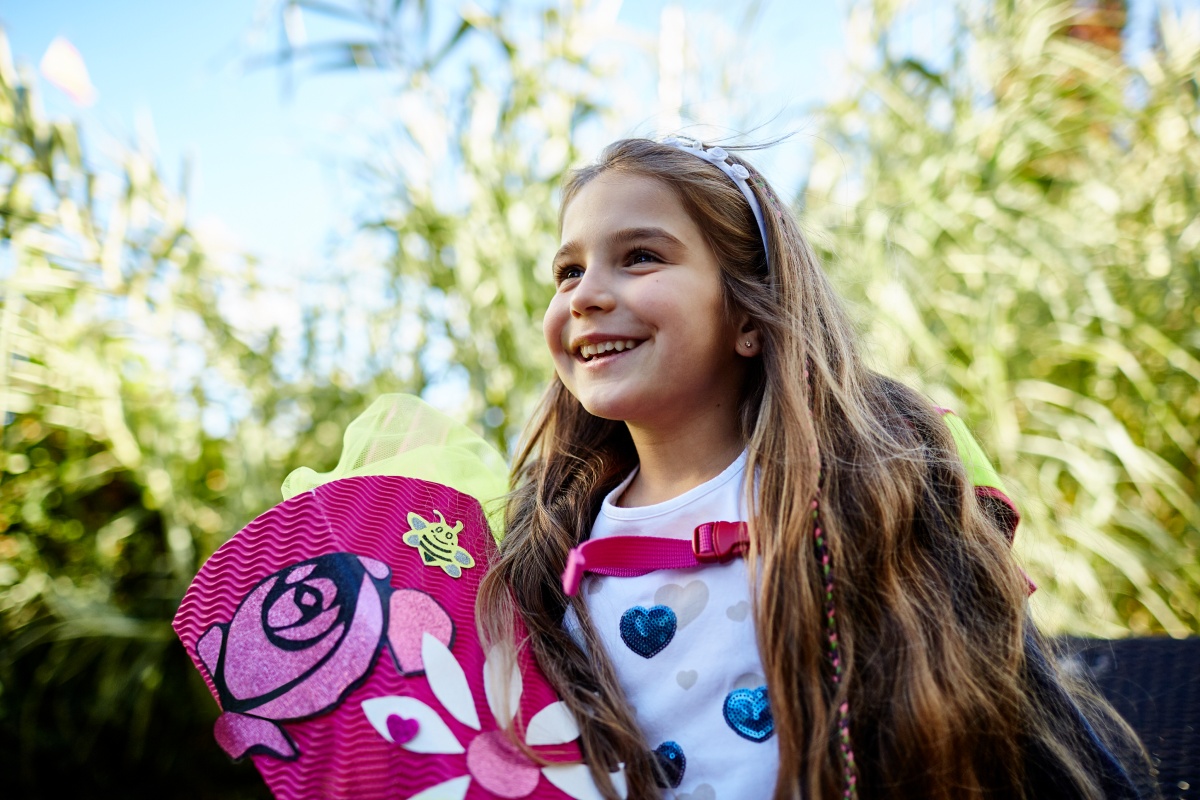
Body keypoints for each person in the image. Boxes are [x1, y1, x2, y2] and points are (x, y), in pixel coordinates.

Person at [475, 138, 1152, 800]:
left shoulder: (860, 484)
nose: (587, 294)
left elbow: (1008, 711)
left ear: (747, 314)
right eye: (568, 272)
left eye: (640, 257)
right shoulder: (547, 538)